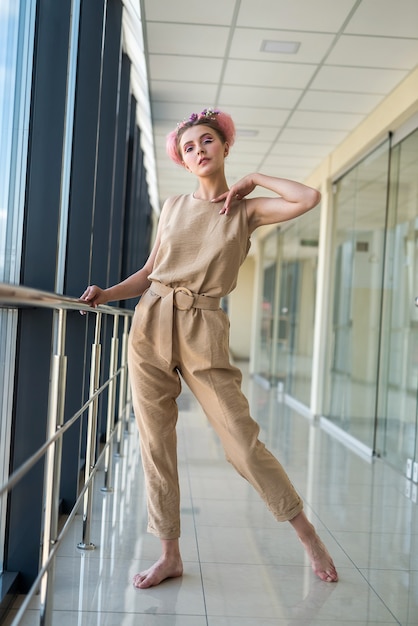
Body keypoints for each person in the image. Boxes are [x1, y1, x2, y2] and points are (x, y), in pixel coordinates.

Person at [80, 108, 338, 589]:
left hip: (204, 327)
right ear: (183, 159)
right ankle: (169, 554)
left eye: (207, 142)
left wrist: (254, 179)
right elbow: (149, 271)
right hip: (150, 321)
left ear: (224, 148)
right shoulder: (174, 206)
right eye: (190, 147)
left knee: (241, 441)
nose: (199, 151)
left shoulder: (247, 209)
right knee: (156, 445)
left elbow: (310, 197)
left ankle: (305, 534)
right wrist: (107, 293)